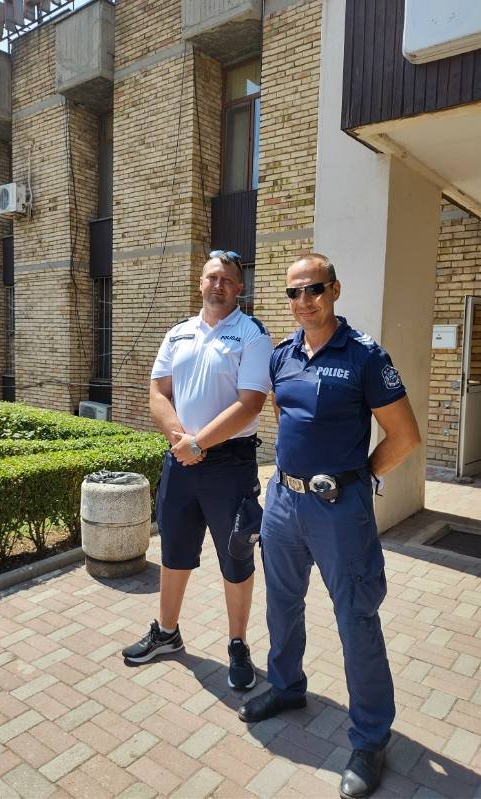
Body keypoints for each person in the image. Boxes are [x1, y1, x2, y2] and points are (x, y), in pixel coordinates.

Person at [238, 254, 420, 799]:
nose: (304, 301)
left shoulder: (365, 356)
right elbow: (284, 417)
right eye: (294, 293)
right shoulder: (283, 355)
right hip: (284, 502)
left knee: (356, 616)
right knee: (281, 602)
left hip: (340, 507)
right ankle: (286, 686)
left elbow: (404, 436)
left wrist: (359, 477)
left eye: (313, 289)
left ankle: (370, 737)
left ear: (334, 290)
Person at [122, 250, 273, 690]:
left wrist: (198, 443)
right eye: (211, 277)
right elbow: (158, 392)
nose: (218, 285)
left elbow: (251, 403)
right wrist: (180, 441)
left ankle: (238, 644)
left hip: (229, 465)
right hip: (180, 461)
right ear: (200, 283)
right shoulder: (178, 334)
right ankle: (167, 632)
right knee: (174, 549)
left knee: (236, 556)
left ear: (239, 288)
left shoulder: (252, 334)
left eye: (227, 279)